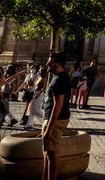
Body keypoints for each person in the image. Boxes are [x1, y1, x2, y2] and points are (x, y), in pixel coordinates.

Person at [43, 52, 72, 180]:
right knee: (48, 153)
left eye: (50, 61)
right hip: (52, 119)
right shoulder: (59, 77)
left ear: (58, 63)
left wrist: (49, 129)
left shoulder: (60, 79)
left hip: (56, 120)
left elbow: (58, 105)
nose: (47, 64)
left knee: (52, 155)